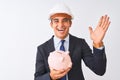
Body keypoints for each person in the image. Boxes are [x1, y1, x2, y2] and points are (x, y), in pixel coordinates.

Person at [34, 3, 111, 80]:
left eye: (65, 20)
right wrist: (50, 76)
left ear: (70, 23)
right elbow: (37, 78)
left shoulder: (80, 44)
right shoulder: (42, 49)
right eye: (56, 21)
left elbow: (99, 70)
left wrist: (97, 43)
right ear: (51, 24)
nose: (60, 25)